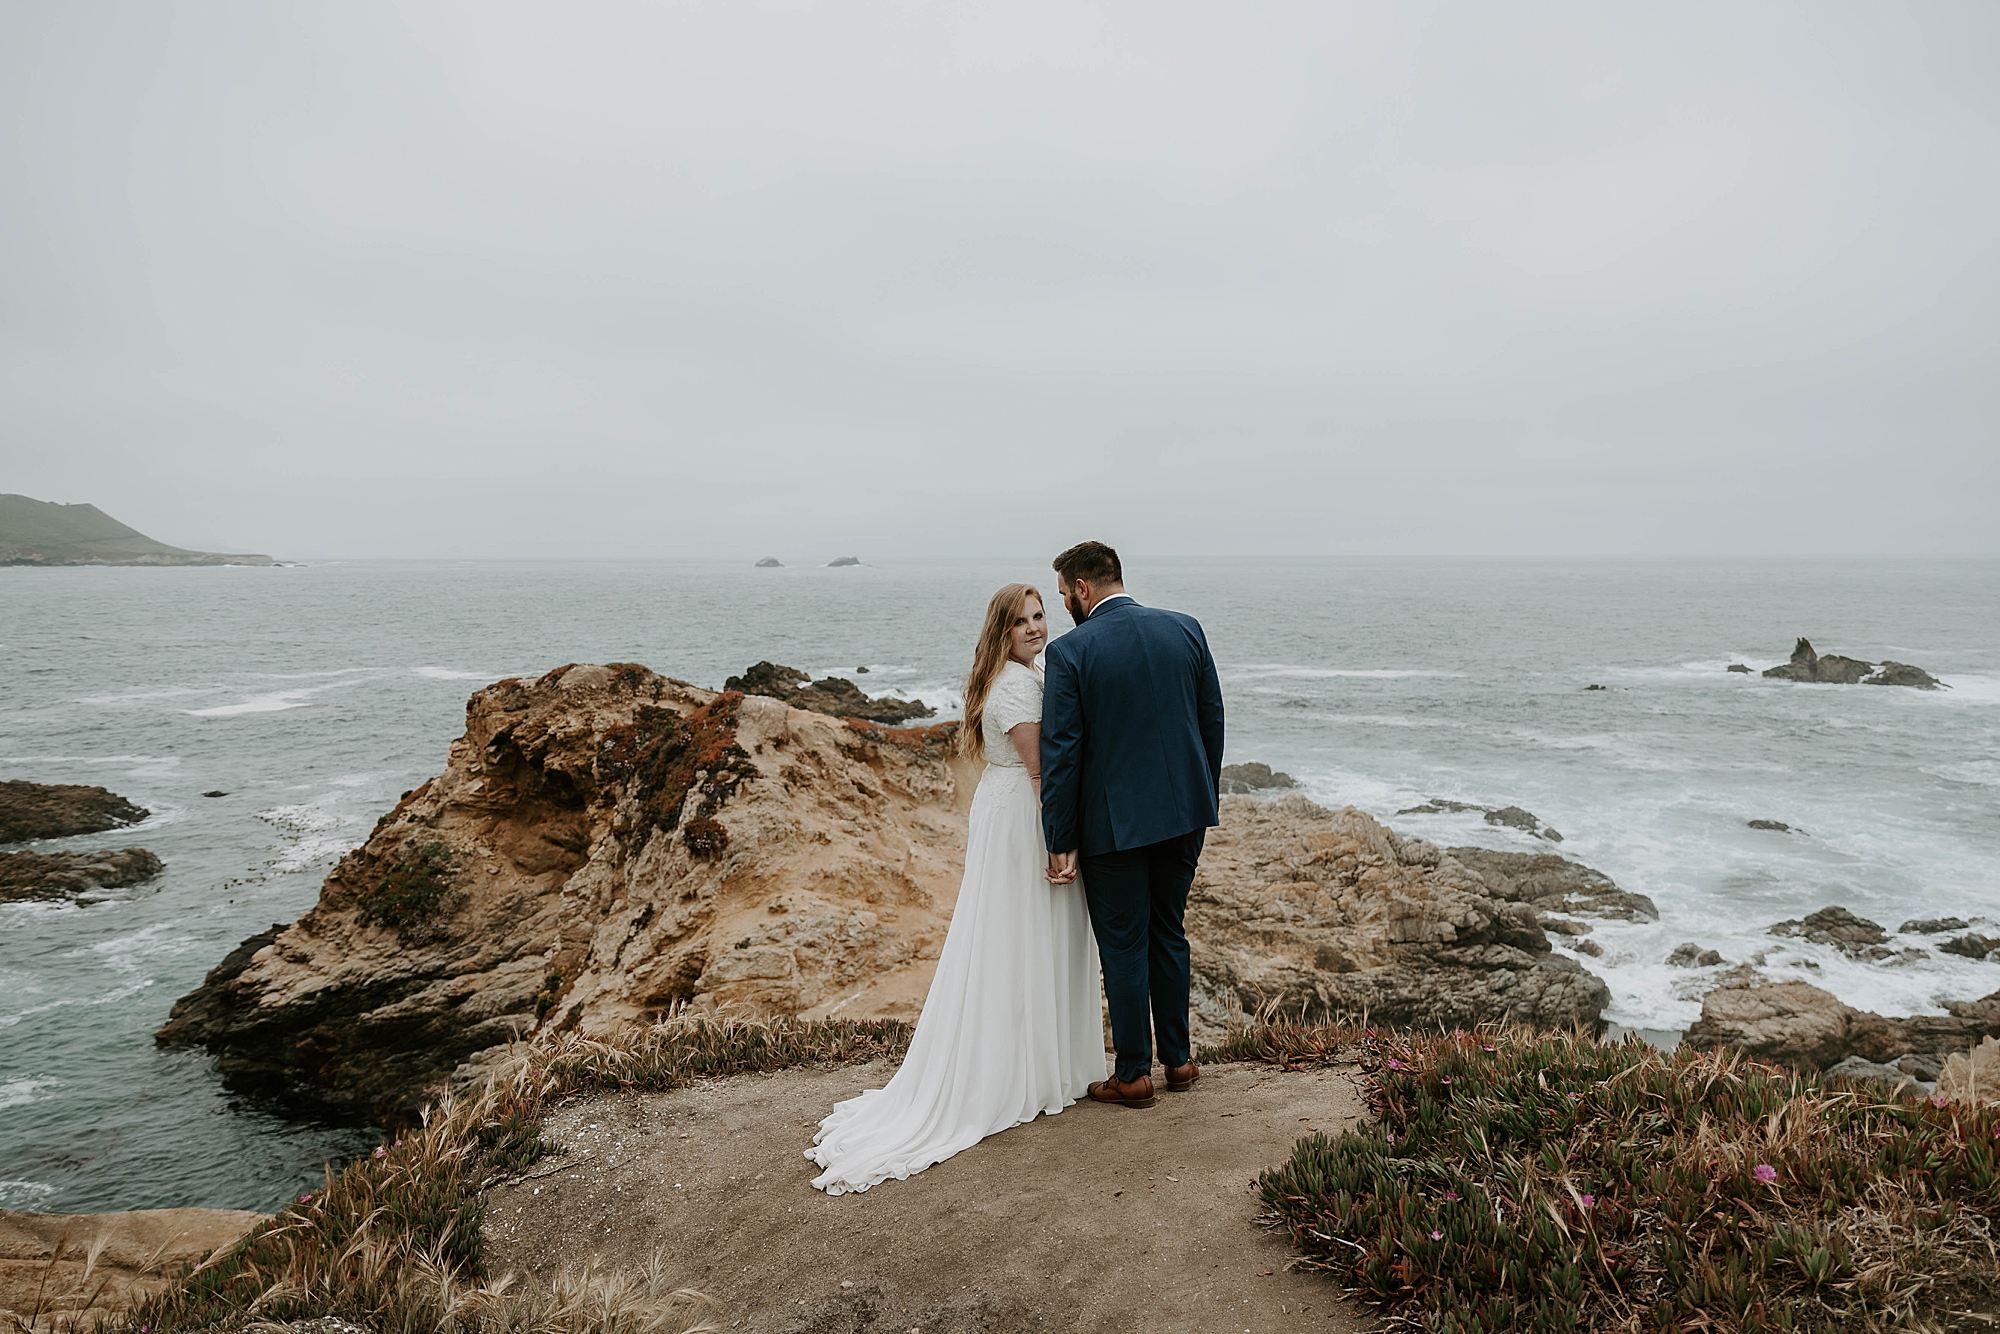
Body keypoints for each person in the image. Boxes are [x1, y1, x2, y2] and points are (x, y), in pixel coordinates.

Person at [805, 584, 1103, 1194]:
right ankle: (1029, 1069)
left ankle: (1041, 1063)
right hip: (1025, 814)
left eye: (1040, 616)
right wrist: (1060, 841)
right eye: (1021, 621)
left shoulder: (1020, 670)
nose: (1035, 628)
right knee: (1027, 931)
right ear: (1001, 630)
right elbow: (1041, 768)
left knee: (1019, 933)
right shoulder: (1017, 686)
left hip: (1003, 808)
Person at [1041, 541, 1224, 1108]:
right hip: (1184, 814)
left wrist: (1059, 837)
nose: (1065, 602)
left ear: (1083, 588)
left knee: (1122, 945)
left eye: (1064, 592)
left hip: (1113, 826)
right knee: (1168, 930)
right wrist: (1201, 794)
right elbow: (1210, 719)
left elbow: (1063, 752)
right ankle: (1181, 1061)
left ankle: (1134, 1074)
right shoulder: (1185, 628)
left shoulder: (1069, 651)